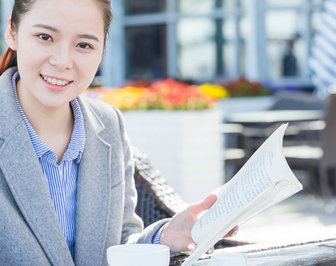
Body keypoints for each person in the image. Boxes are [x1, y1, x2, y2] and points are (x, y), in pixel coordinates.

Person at [0, 0, 237, 265]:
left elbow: (119, 245)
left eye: (84, 45)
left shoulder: (108, 125)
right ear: (12, 33)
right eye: (45, 37)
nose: (62, 61)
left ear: (102, 51)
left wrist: (163, 239)